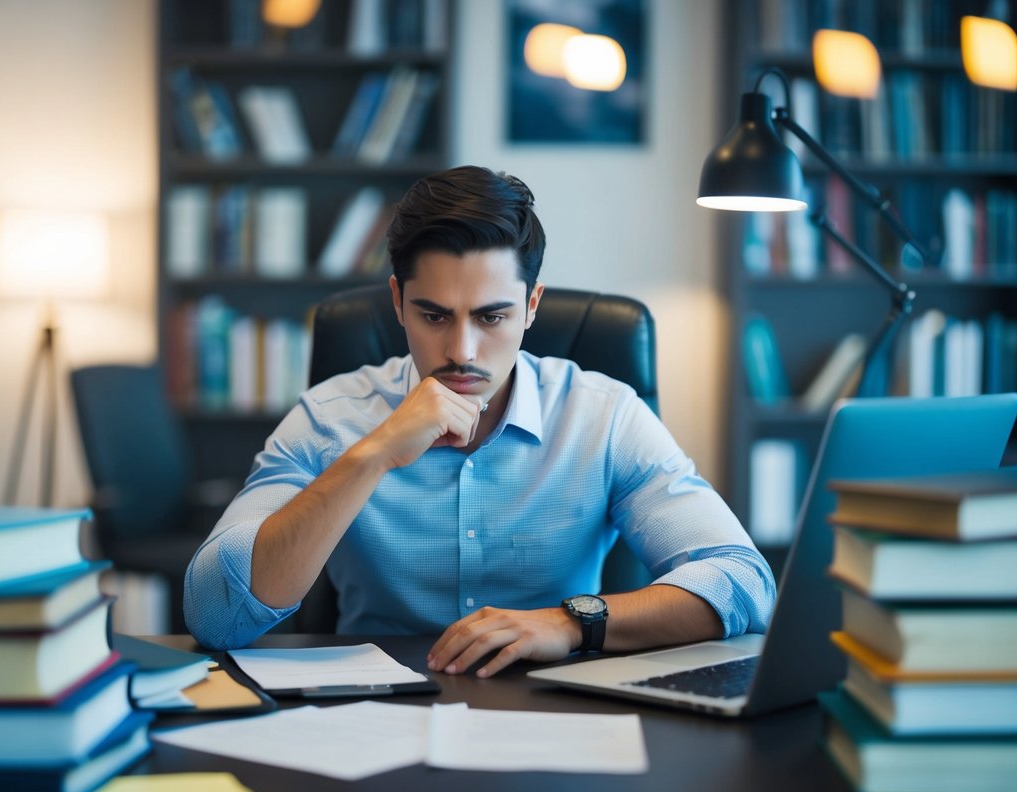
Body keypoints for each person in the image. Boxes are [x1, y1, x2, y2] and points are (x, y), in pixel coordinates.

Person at [184, 165, 775, 677]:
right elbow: (214, 613)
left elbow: (743, 582)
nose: (461, 350)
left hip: (556, 704)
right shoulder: (329, 417)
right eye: (434, 315)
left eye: (492, 316)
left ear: (532, 306)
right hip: (372, 711)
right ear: (397, 302)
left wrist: (570, 623)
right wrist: (374, 454)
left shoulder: (604, 415)